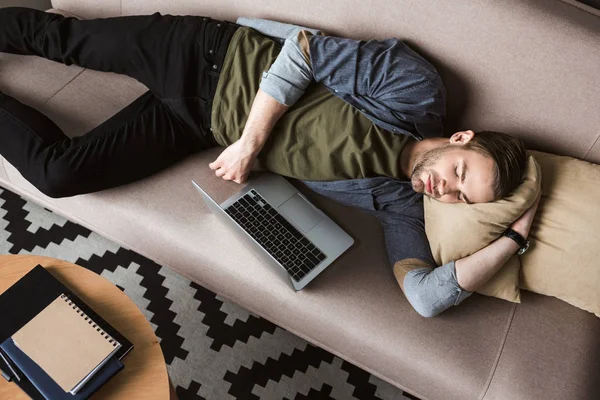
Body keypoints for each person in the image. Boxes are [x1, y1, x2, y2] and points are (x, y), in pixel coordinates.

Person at [0, 8, 539, 317]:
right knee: (59, 39)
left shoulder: (400, 203)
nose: (445, 190)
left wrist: (513, 238)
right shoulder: (415, 90)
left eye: (463, 199)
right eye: (460, 173)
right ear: (461, 137)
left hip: (196, 125)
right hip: (206, 55)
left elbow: (424, 299)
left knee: (59, 174)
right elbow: (304, 47)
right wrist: (251, 145)